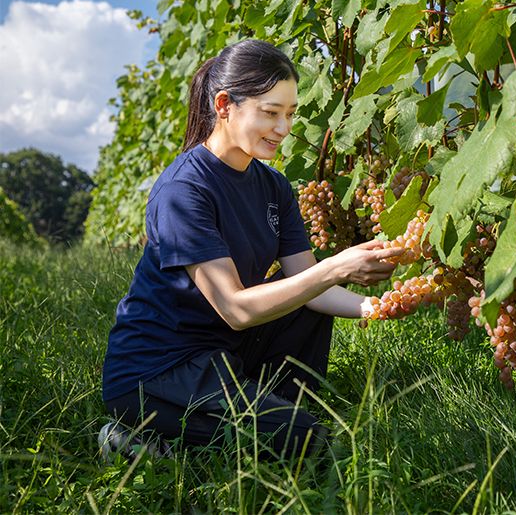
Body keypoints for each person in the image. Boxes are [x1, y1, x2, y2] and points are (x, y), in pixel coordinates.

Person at [100, 39, 402, 461]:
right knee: (305, 439)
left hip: (225, 351)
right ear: (225, 105)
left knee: (303, 296)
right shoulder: (183, 190)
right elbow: (236, 308)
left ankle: (269, 415)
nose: (283, 128)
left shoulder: (273, 186)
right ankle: (137, 439)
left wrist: (380, 305)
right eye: (270, 113)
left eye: (290, 114)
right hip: (159, 370)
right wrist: (335, 268)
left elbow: (308, 282)